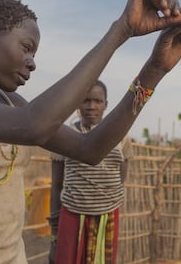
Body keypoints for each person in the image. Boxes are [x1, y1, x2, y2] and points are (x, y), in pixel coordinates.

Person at [0, 0, 181, 263]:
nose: (33, 63)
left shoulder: (9, 101)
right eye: (26, 48)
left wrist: (155, 70)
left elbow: (90, 149)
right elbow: (33, 126)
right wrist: (121, 29)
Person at [49, 80, 133, 264]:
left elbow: (121, 179)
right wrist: (55, 231)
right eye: (86, 100)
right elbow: (56, 186)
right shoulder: (63, 135)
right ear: (78, 103)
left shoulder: (120, 136)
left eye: (97, 101)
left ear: (106, 105)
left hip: (107, 214)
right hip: (71, 213)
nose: (91, 106)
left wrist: (103, 197)